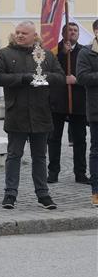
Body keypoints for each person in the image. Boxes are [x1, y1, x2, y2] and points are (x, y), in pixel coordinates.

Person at [0, 21, 64, 210]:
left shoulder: (46, 55)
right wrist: (24, 78)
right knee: (14, 155)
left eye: (24, 33)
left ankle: (43, 194)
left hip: (41, 112)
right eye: (17, 32)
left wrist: (42, 78)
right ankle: (10, 195)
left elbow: (60, 77)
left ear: (34, 35)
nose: (20, 35)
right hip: (17, 113)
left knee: (40, 157)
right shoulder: (4, 53)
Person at [47, 22, 89, 184]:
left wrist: (76, 80)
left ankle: (80, 173)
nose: (73, 33)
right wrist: (64, 54)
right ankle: (53, 172)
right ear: (63, 33)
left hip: (78, 101)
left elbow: (88, 74)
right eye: (69, 30)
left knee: (80, 139)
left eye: (75, 30)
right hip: (58, 100)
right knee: (54, 138)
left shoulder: (84, 51)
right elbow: (48, 71)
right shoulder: (54, 51)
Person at [76, 19, 98, 207]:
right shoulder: (86, 52)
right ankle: (96, 192)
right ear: (96, 31)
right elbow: (82, 77)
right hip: (96, 110)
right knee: (96, 151)